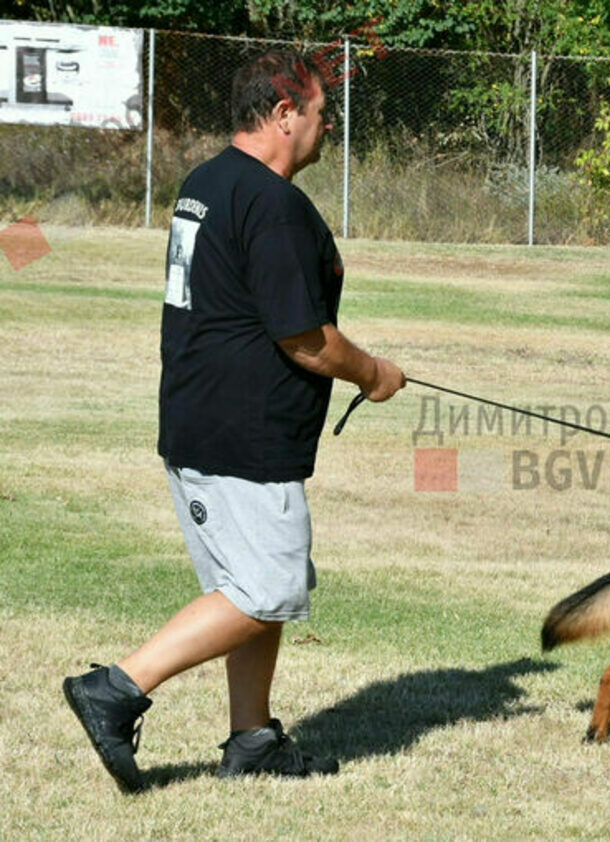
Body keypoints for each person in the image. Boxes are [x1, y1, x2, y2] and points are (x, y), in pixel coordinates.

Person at [62, 50, 405, 793]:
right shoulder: (272, 204)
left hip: (203, 419)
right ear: (284, 114)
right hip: (242, 434)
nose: (327, 127)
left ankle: (252, 739)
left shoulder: (207, 182)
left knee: (254, 584)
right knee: (264, 592)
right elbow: (304, 338)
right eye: (320, 113)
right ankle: (115, 688)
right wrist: (373, 373)